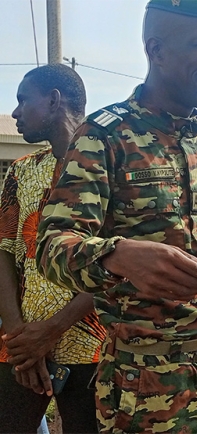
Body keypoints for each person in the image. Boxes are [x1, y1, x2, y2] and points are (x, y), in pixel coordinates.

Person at [35, 2, 197, 432]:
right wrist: (116, 255)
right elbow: (51, 245)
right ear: (156, 50)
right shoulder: (105, 136)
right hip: (144, 389)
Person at [0, 64, 102, 433]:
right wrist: (17, 336)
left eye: (22, 100)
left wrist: (53, 330)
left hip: (93, 344)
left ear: (54, 100)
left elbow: (117, 260)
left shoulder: (108, 167)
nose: (15, 113)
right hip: (22, 347)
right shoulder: (22, 171)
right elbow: (5, 251)